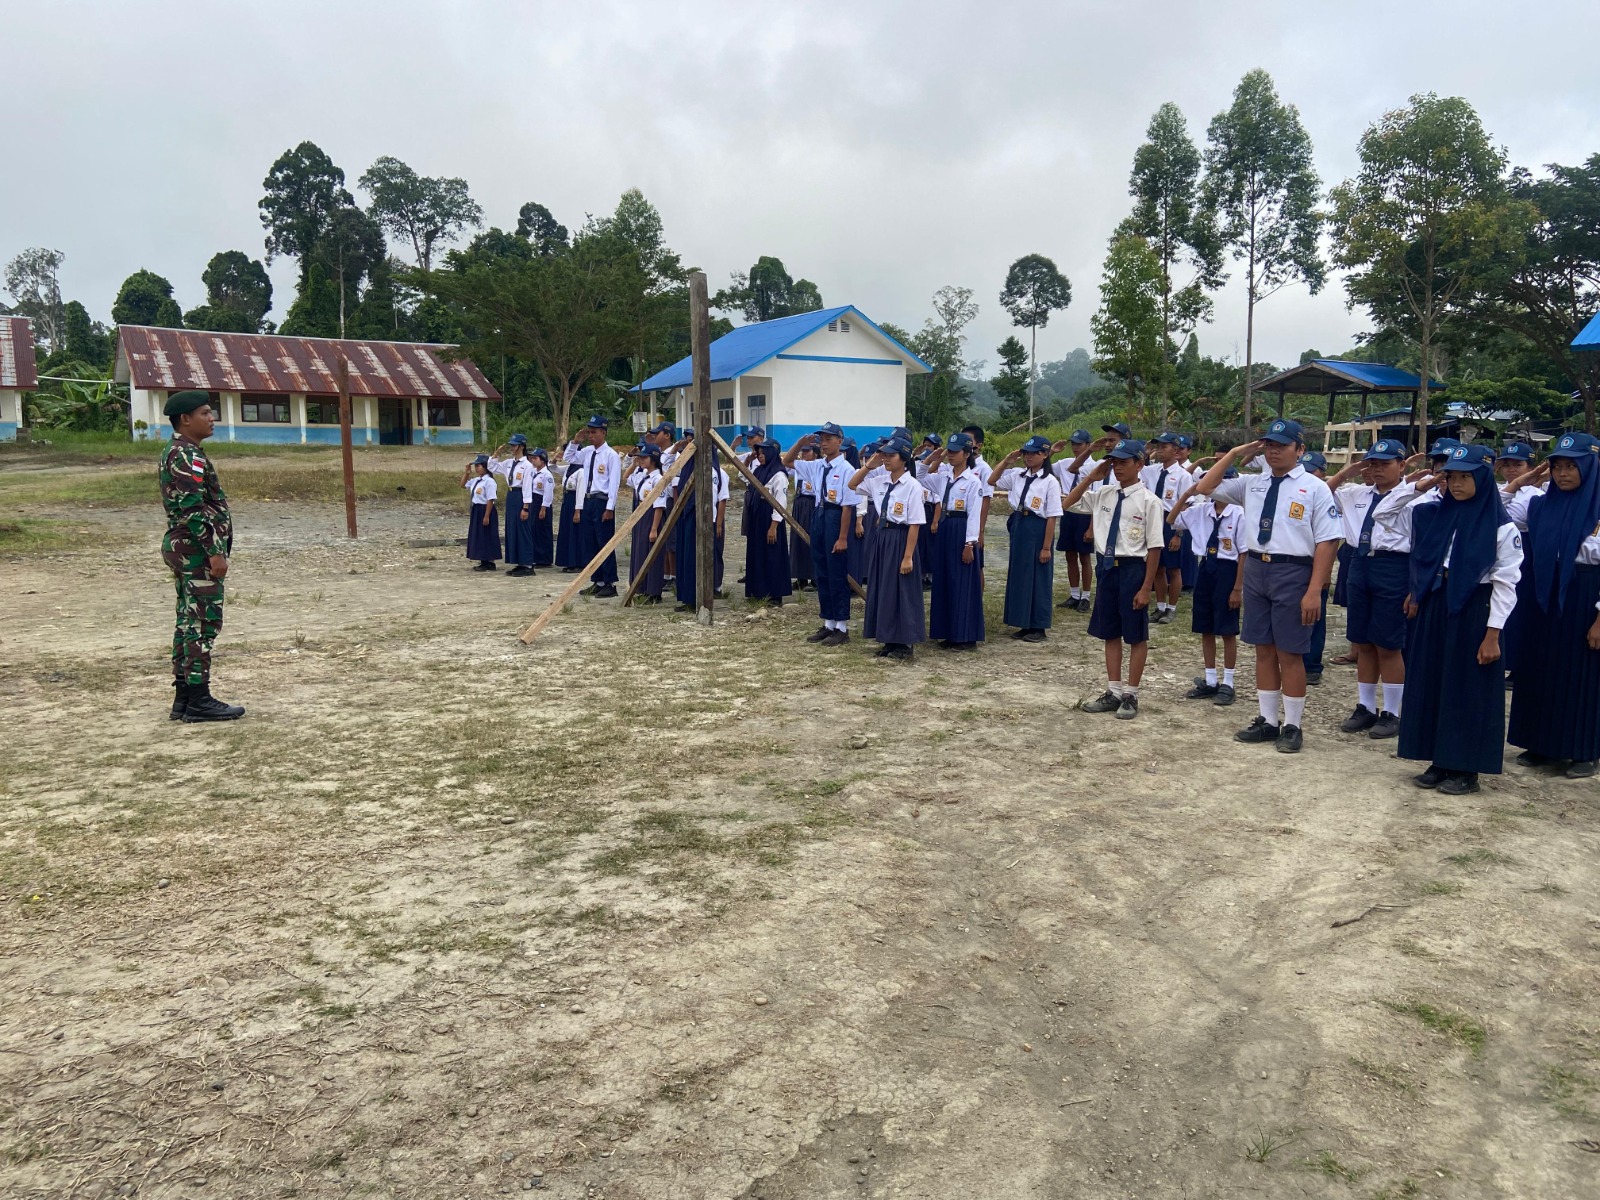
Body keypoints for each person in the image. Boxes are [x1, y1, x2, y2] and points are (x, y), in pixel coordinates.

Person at [1189, 419, 1342, 753]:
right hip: (1258, 568)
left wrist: (1315, 589)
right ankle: (1268, 720)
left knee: (1290, 652)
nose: (1273, 450)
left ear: (1300, 450)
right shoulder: (1252, 484)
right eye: (1269, 444)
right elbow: (1204, 487)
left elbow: (1328, 542)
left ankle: (1293, 725)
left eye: (1282, 445)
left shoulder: (1315, 488)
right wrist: (1232, 454)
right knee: (1262, 649)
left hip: (1293, 571)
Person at [1399, 445, 1523, 794]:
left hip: (1476, 609)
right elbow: (1391, 517)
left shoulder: (1501, 527)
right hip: (1439, 603)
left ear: (1482, 479)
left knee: (1469, 688)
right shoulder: (1440, 514)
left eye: (1465, 476)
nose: (1456, 483)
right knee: (1437, 680)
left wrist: (1492, 634)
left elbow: (1506, 584)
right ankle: (1439, 759)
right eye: (1451, 475)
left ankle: (1467, 768)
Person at [1507, 432, 1600, 777]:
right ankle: (1541, 743)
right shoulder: (1541, 504)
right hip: (1543, 594)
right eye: (1557, 466)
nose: (1562, 474)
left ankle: (1583, 751)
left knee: (1582, 676)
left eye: (1571, 467)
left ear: (1589, 468)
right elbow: (1496, 511)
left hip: (1586, 597)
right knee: (1542, 668)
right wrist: (1522, 481)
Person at [1327, 440, 1423, 740]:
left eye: (1385, 463)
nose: (1377, 469)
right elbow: (1323, 491)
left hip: (1394, 566)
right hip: (1359, 563)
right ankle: (1365, 705)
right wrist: (1348, 472)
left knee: (1388, 643)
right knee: (1363, 640)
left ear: (1402, 465)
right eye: (1373, 463)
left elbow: (1421, 546)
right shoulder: (1356, 493)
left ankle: (1392, 711)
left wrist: (1414, 586)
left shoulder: (1415, 498)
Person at [159, 390, 244, 722]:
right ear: (185, 419)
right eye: (206, 413)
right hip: (196, 550)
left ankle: (184, 698)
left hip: (185, 548)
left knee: (186, 621)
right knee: (201, 623)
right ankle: (199, 700)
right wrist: (214, 552)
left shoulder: (180, 451)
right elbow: (193, 509)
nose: (212, 419)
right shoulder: (186, 455)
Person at [1064, 439, 1164, 718]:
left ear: (1139, 464)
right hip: (1107, 568)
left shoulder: (1149, 501)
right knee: (1110, 631)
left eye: (1124, 461)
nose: (1117, 467)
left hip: (1133, 568)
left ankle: (1131, 693)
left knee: (1135, 634)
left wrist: (1146, 587)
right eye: (1114, 462)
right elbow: (1068, 504)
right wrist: (1090, 478)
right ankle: (1114, 690)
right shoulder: (1104, 493)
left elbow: (1155, 547)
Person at [1173, 477, 1245, 705]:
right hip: (1205, 567)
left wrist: (1237, 588)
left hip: (1227, 570)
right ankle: (1211, 679)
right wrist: (1186, 495)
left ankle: (1229, 682)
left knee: (1227, 629)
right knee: (1205, 626)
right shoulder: (1201, 510)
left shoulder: (1238, 513)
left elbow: (1243, 553)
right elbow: (1172, 519)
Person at [851, 440, 927, 659]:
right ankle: (888, 639)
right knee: (883, 589)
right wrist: (868, 466)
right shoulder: (879, 481)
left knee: (902, 591)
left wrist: (908, 557)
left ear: (903, 459)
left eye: (891, 456)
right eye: (884, 455)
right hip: (882, 538)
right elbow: (852, 484)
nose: (885, 459)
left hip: (901, 538)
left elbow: (914, 523)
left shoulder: (911, 485)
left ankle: (905, 643)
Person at [785, 423, 857, 645]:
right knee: (821, 571)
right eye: (821, 439)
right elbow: (786, 461)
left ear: (839, 441)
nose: (824, 443)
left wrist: (843, 537)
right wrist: (800, 443)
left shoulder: (847, 469)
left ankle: (842, 626)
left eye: (829, 439)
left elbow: (847, 507)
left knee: (836, 572)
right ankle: (828, 622)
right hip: (819, 514)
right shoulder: (817, 465)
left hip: (836, 517)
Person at [990, 435, 1063, 642]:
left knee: (1038, 575)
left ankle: (1038, 625)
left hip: (1037, 526)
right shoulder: (1017, 475)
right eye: (1025, 453)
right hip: (1019, 522)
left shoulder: (1049, 481)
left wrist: (1046, 546)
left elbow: (1052, 516)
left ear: (1045, 454)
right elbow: (992, 480)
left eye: (1033, 453)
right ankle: (1023, 621)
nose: (1028, 457)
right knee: (1020, 573)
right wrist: (1006, 462)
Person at [928, 432, 986, 650]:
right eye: (948, 451)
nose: (950, 455)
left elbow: (974, 514)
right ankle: (947, 632)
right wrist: (935, 458)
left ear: (967, 453)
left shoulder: (972, 481)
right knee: (944, 579)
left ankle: (965, 635)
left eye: (954, 452)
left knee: (962, 582)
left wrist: (969, 544)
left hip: (961, 530)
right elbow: (921, 474)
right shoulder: (944, 477)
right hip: (945, 526)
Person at [1142, 432, 1194, 624]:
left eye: (1164, 447)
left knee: (1173, 568)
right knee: (1156, 566)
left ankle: (1171, 608)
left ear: (1176, 450)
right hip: (1153, 519)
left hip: (1172, 522)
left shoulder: (1183, 476)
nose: (1160, 450)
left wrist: (1178, 534)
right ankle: (1160, 606)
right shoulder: (1152, 471)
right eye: (1158, 447)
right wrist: (1145, 452)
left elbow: (1185, 506)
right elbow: (1139, 464)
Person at [669, 448, 728, 611]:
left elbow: (713, 497)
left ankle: (697, 599)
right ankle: (687, 598)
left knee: (696, 560)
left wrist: (713, 523)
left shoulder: (712, 472)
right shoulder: (690, 470)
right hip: (688, 516)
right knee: (687, 558)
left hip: (701, 520)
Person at [575, 415, 622, 598]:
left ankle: (610, 582)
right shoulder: (587, 452)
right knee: (591, 542)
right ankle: (598, 580)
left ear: (603, 432)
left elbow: (614, 483)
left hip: (602, 500)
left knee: (604, 542)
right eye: (589, 432)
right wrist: (575, 441)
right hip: (588, 499)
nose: (590, 435)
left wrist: (610, 507)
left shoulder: (610, 455)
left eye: (594, 432)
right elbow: (571, 457)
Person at [743, 438, 793, 607]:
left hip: (770, 517)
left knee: (771, 555)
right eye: (759, 453)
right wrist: (749, 460)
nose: (760, 456)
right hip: (758, 516)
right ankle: (758, 590)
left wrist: (773, 526)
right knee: (757, 553)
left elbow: (781, 502)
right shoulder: (759, 470)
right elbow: (744, 478)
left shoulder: (778, 474)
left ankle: (774, 594)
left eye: (764, 453)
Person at [1054, 429, 1099, 612]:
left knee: (1084, 556)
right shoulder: (1065, 463)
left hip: (1085, 512)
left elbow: (1097, 498)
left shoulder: (1095, 467)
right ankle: (1074, 594)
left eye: (1079, 444)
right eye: (1073, 444)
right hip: (1069, 511)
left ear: (1089, 445)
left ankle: (1086, 596)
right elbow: (1044, 466)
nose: (1075, 447)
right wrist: (1052, 451)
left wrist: (1092, 527)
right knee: (1069, 554)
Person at [1297, 451, 1332, 681]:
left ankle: (1312, 666)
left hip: (1318, 564)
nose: (1308, 476)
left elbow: (1330, 540)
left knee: (1315, 618)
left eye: (1313, 471)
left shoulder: (1326, 494)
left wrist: (1325, 573)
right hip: (1296, 565)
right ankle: (1295, 661)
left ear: (1323, 473)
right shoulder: (1296, 494)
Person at [487, 434, 537, 577]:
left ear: (521, 446)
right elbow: (492, 466)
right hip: (511, 496)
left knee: (523, 530)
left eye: (514, 445)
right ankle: (518, 562)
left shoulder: (527, 465)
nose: (511, 448)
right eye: (511, 445)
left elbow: (527, 487)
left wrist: (525, 507)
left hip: (521, 496)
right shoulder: (509, 463)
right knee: (512, 529)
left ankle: (527, 564)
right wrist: (497, 453)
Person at [627, 444, 668, 604]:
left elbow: (659, 505)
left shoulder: (658, 479)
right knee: (640, 551)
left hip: (652, 516)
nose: (641, 459)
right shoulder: (643, 475)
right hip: (641, 515)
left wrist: (653, 528)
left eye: (644, 457)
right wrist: (634, 463)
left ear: (654, 459)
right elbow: (626, 477)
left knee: (652, 553)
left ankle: (654, 591)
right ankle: (642, 587)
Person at [789, 436, 819, 590]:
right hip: (799, 502)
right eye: (803, 451)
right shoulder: (799, 466)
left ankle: (814, 578)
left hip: (811, 502)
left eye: (807, 451)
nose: (804, 454)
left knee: (810, 539)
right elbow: (786, 461)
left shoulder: (817, 466)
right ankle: (800, 577)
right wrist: (798, 444)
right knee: (797, 541)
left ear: (815, 453)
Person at [462, 454, 501, 572]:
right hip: (476, 509)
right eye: (475, 466)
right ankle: (482, 559)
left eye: (478, 466)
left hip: (485, 509)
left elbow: (491, 499)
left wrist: (487, 516)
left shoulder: (489, 481)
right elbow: (463, 485)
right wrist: (467, 473)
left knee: (487, 534)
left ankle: (489, 561)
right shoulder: (476, 480)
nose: (476, 468)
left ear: (485, 466)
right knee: (479, 535)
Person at [554, 439, 588, 573]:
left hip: (575, 501)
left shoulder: (581, 470)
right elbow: (553, 468)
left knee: (576, 533)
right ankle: (567, 561)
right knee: (567, 531)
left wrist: (578, 510)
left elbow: (580, 492)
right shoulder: (569, 468)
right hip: (567, 500)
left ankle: (578, 562)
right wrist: (555, 459)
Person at [528, 448, 555, 567]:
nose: (533, 461)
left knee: (543, 530)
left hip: (542, 502)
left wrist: (544, 507)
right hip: (534, 501)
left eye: (536, 458)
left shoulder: (546, 474)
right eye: (532, 458)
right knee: (535, 529)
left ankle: (545, 558)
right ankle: (536, 556)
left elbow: (548, 492)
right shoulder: (534, 472)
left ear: (543, 460)